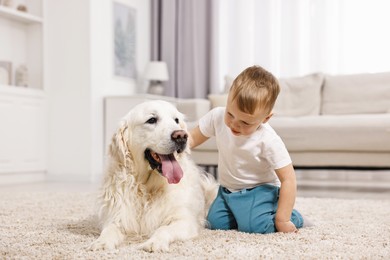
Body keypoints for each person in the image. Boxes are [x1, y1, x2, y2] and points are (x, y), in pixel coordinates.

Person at [189, 65, 310, 234]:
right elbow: (192, 138)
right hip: (226, 191)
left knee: (256, 227)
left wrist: (283, 219)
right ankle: (241, 212)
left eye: (245, 122)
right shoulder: (216, 116)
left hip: (259, 192)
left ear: (266, 118)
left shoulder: (268, 140)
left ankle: (293, 215)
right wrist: (174, 148)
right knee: (214, 223)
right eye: (230, 114)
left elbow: (289, 179)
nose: (234, 124)